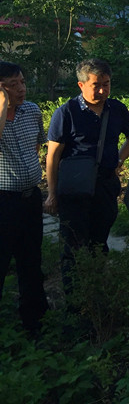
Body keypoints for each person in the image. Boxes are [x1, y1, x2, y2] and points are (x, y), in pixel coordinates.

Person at [46, 59, 129, 290]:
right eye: (96, 85)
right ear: (81, 85)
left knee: (99, 242)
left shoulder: (116, 109)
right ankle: (75, 298)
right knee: (73, 246)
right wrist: (52, 193)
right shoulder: (66, 112)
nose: (102, 91)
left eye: (106, 84)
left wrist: (119, 160)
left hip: (105, 186)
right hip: (74, 190)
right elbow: (53, 156)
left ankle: (96, 291)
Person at [0, 61, 48, 332]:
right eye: (12, 85)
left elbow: (37, 145)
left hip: (30, 199)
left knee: (31, 260)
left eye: (22, 82)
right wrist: (1, 103)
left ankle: (34, 321)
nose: (21, 89)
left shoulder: (32, 110)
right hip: (3, 202)